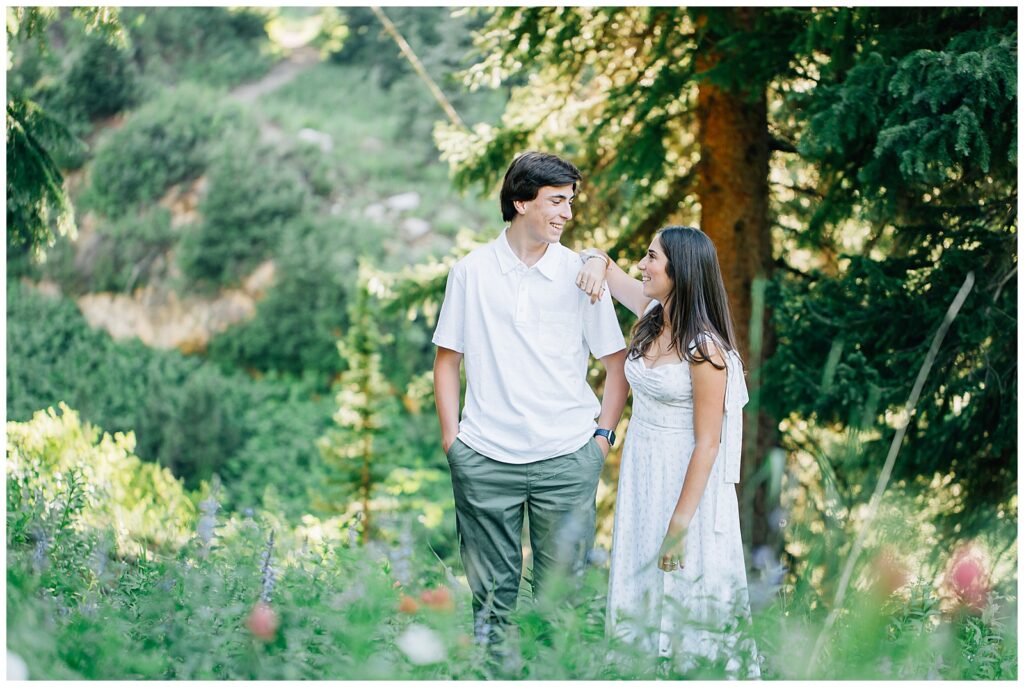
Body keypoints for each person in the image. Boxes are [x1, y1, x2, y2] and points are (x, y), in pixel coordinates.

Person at [432, 151, 629, 651]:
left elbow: (616, 365)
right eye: (556, 201)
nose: (567, 213)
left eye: (570, 203)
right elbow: (447, 362)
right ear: (521, 202)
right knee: (491, 607)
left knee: (560, 606)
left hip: (567, 460)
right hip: (485, 460)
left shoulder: (583, 275)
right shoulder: (471, 273)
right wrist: (454, 443)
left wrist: (600, 441)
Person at [576, 226, 760, 677]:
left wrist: (679, 525)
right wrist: (597, 260)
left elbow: (709, 443)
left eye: (652, 258)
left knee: (686, 590)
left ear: (680, 271)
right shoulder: (652, 314)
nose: (642, 265)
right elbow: (600, 260)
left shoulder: (706, 351)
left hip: (686, 484)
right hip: (643, 473)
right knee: (640, 580)